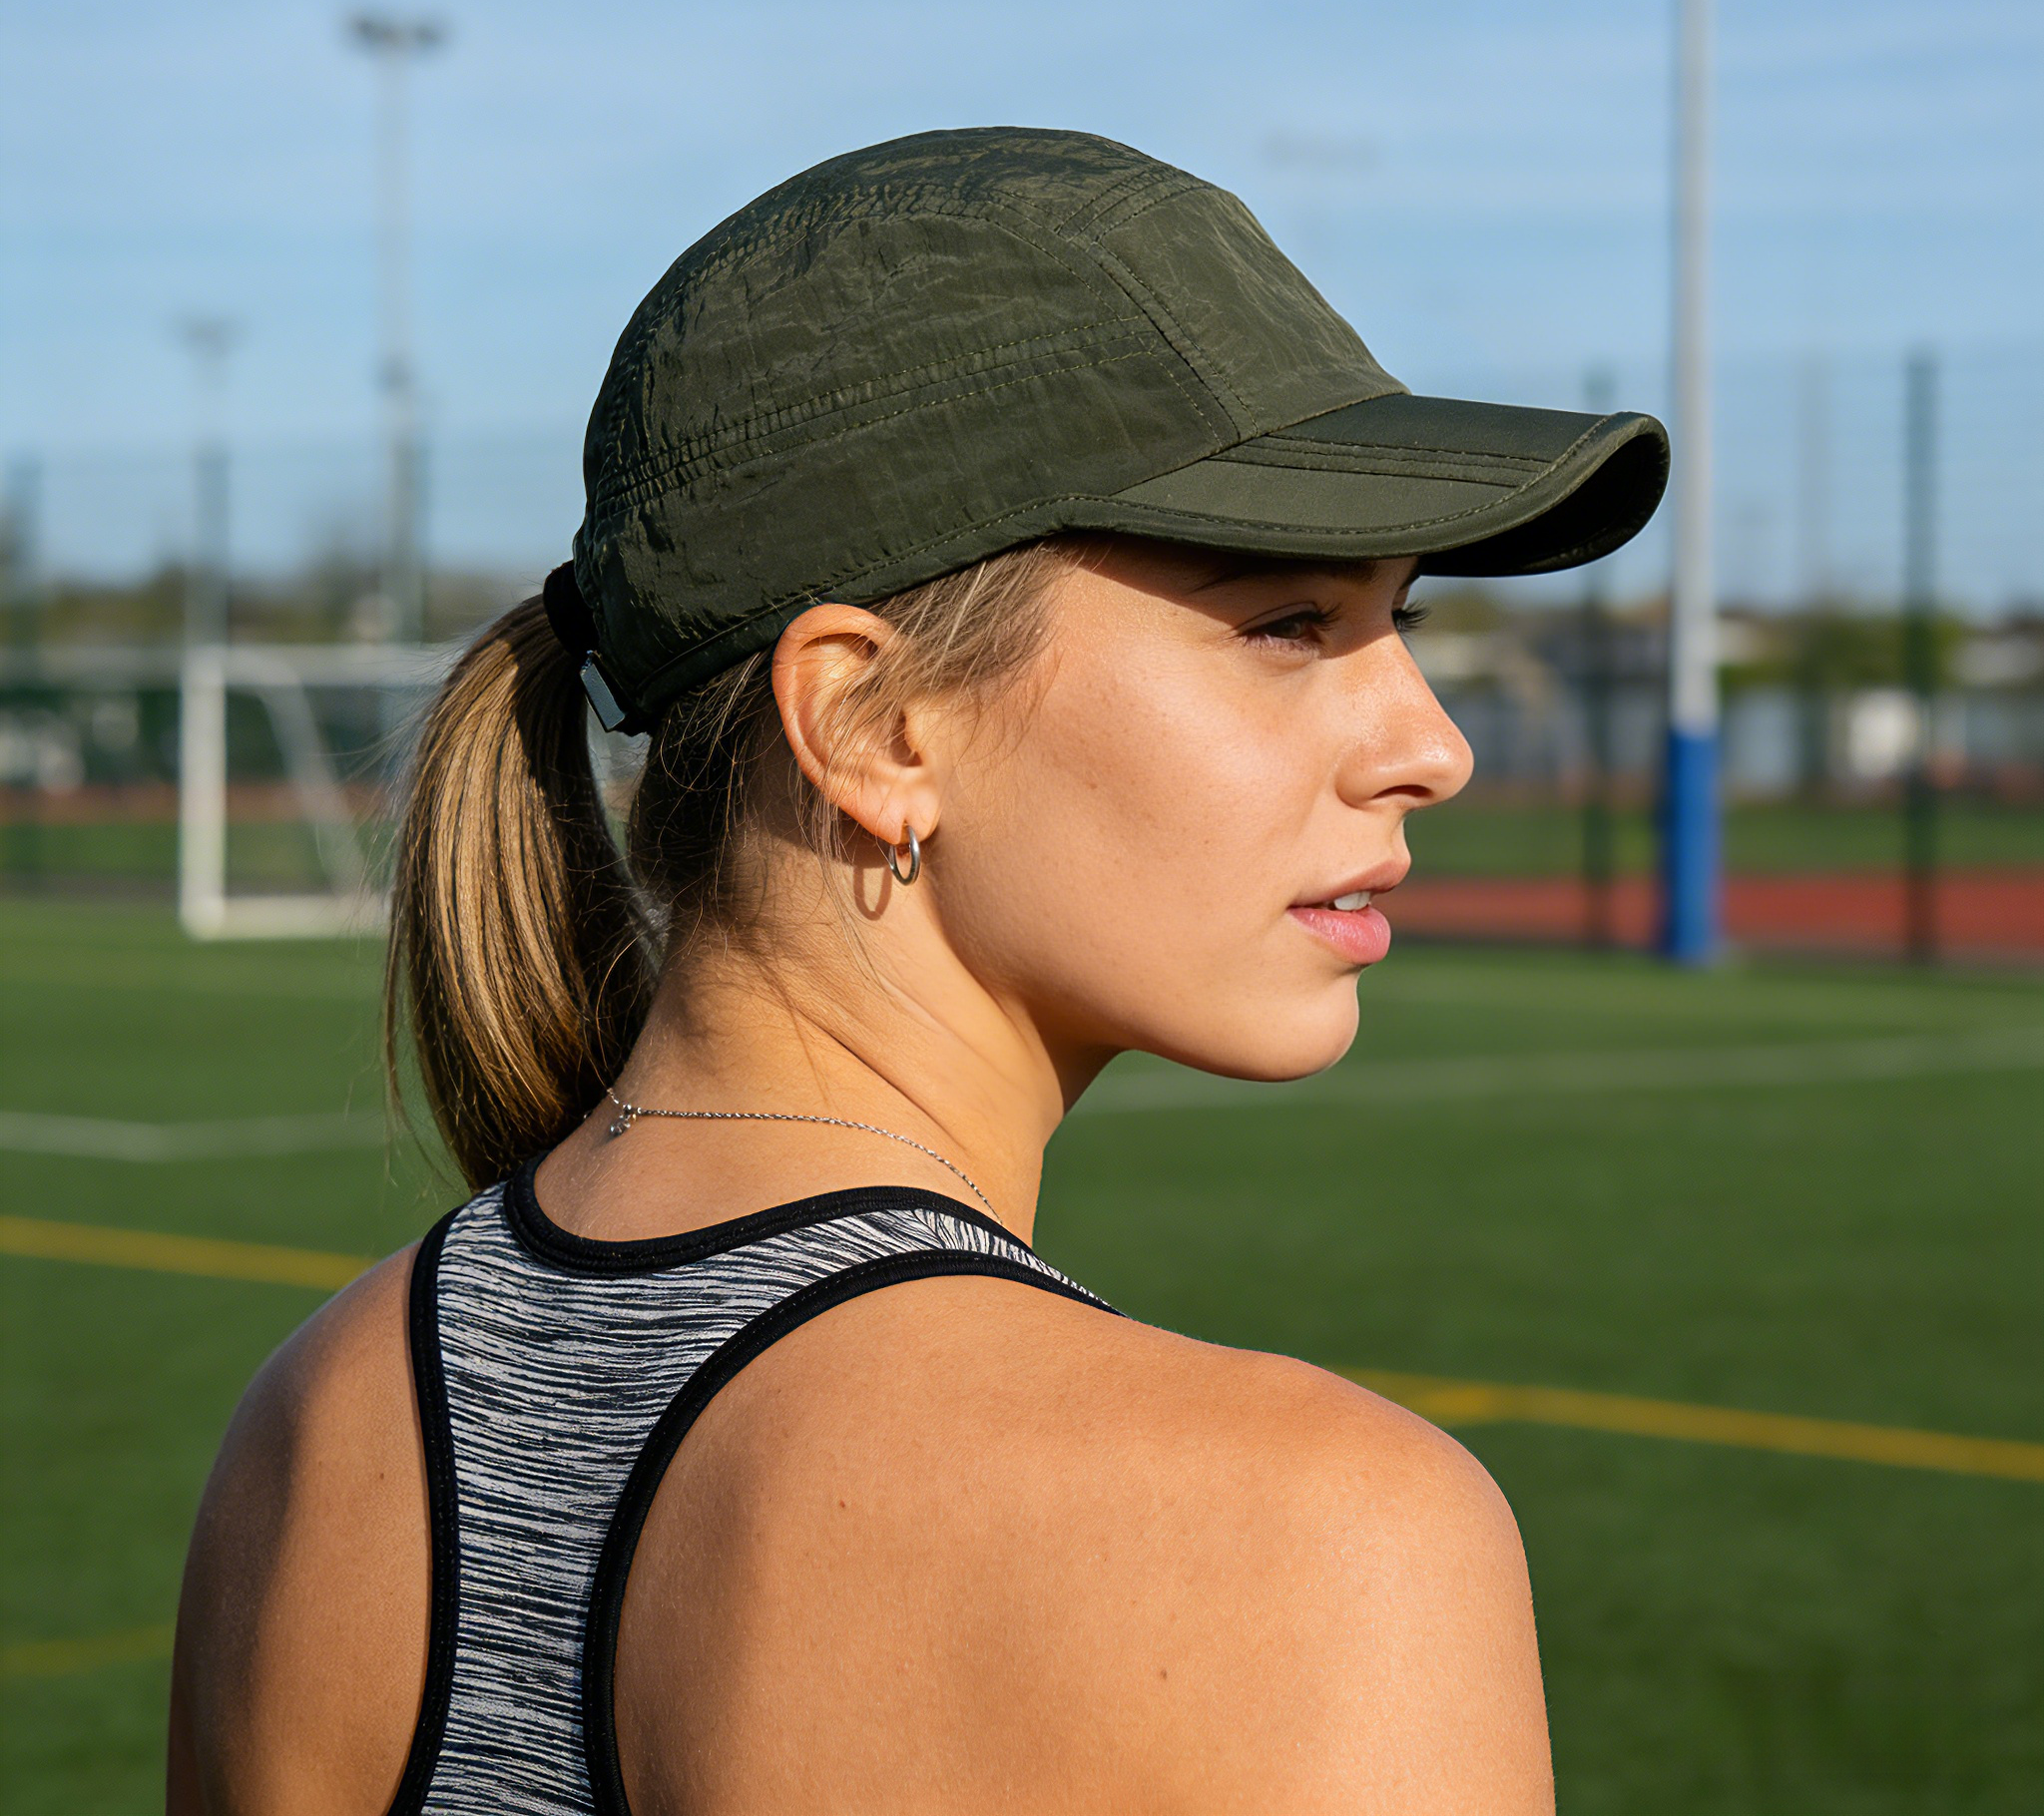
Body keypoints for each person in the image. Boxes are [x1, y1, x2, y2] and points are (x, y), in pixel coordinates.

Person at [169, 128, 1666, 1815]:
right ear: (872, 726)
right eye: (1287, 625)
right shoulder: (1314, 1535)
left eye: (1408, 622)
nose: (1431, 747)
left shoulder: (304, 1434)